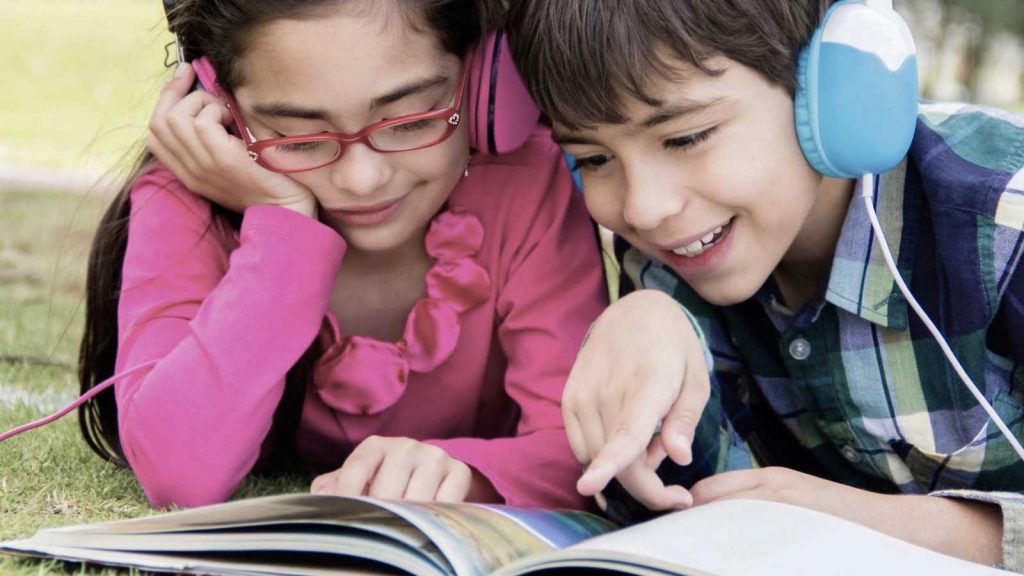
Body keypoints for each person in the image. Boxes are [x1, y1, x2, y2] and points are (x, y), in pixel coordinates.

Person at [505, 0, 1024, 570]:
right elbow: (685, 528)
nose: (643, 208)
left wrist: (870, 527)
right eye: (595, 157)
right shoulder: (673, 255)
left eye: (686, 138)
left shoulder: (1005, 222)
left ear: (830, 89)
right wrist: (648, 354)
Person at [76, 0, 607, 511]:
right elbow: (178, 470)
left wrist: (464, 475)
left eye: (410, 121)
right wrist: (282, 221)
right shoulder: (190, 196)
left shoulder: (529, 186)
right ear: (220, 104)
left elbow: (584, 447)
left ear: (488, 77)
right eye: (297, 136)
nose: (362, 179)